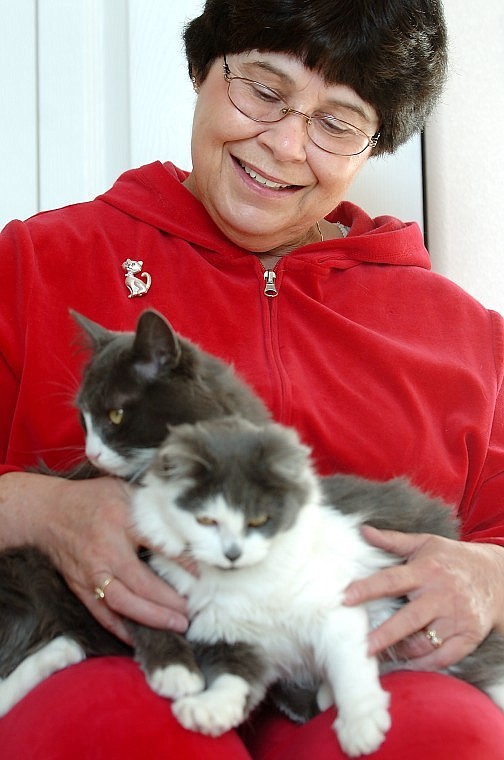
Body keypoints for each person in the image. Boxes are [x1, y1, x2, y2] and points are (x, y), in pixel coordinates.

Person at [2, 0, 504, 757]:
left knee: (440, 734)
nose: (286, 143)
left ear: (378, 143)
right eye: (264, 91)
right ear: (204, 67)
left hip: (367, 667)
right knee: (116, 729)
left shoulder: (469, 335)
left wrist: (489, 576)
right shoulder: (36, 263)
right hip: (120, 657)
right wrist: (40, 509)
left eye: (337, 123)